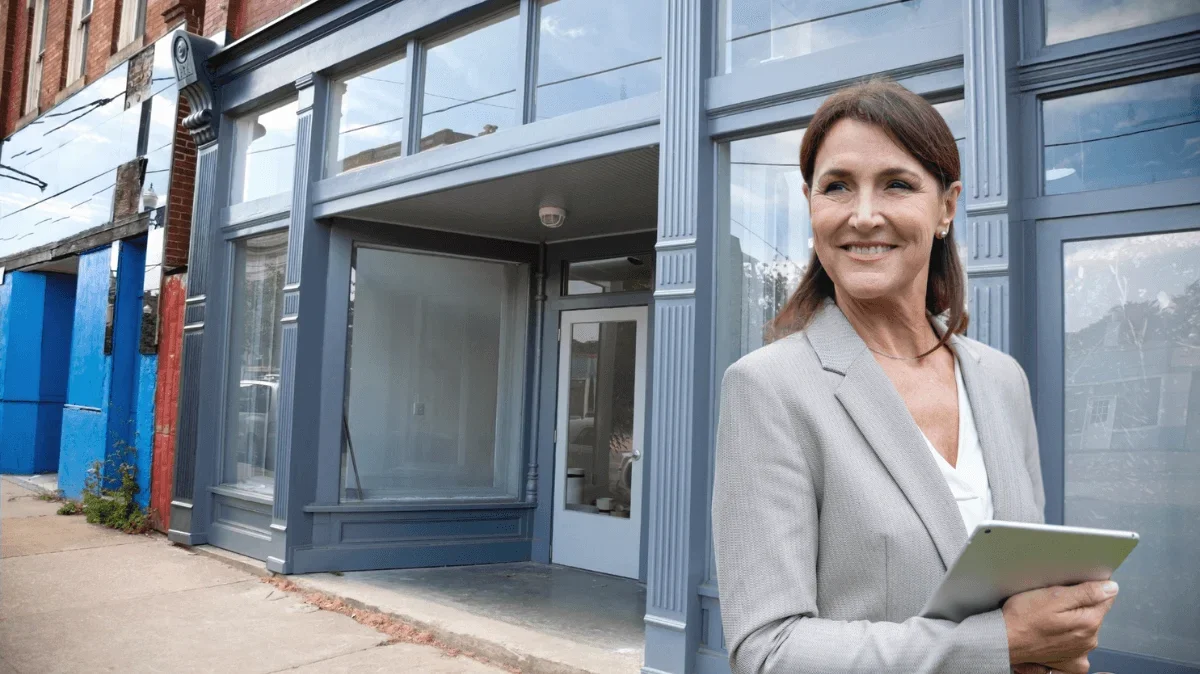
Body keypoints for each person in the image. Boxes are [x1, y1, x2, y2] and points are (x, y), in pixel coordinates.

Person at [711, 80, 1118, 674]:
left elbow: (1022, 586)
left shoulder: (1002, 380)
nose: (864, 214)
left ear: (946, 207)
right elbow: (767, 651)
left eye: (897, 184)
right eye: (837, 187)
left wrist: (1060, 629)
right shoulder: (769, 388)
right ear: (811, 203)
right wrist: (998, 645)